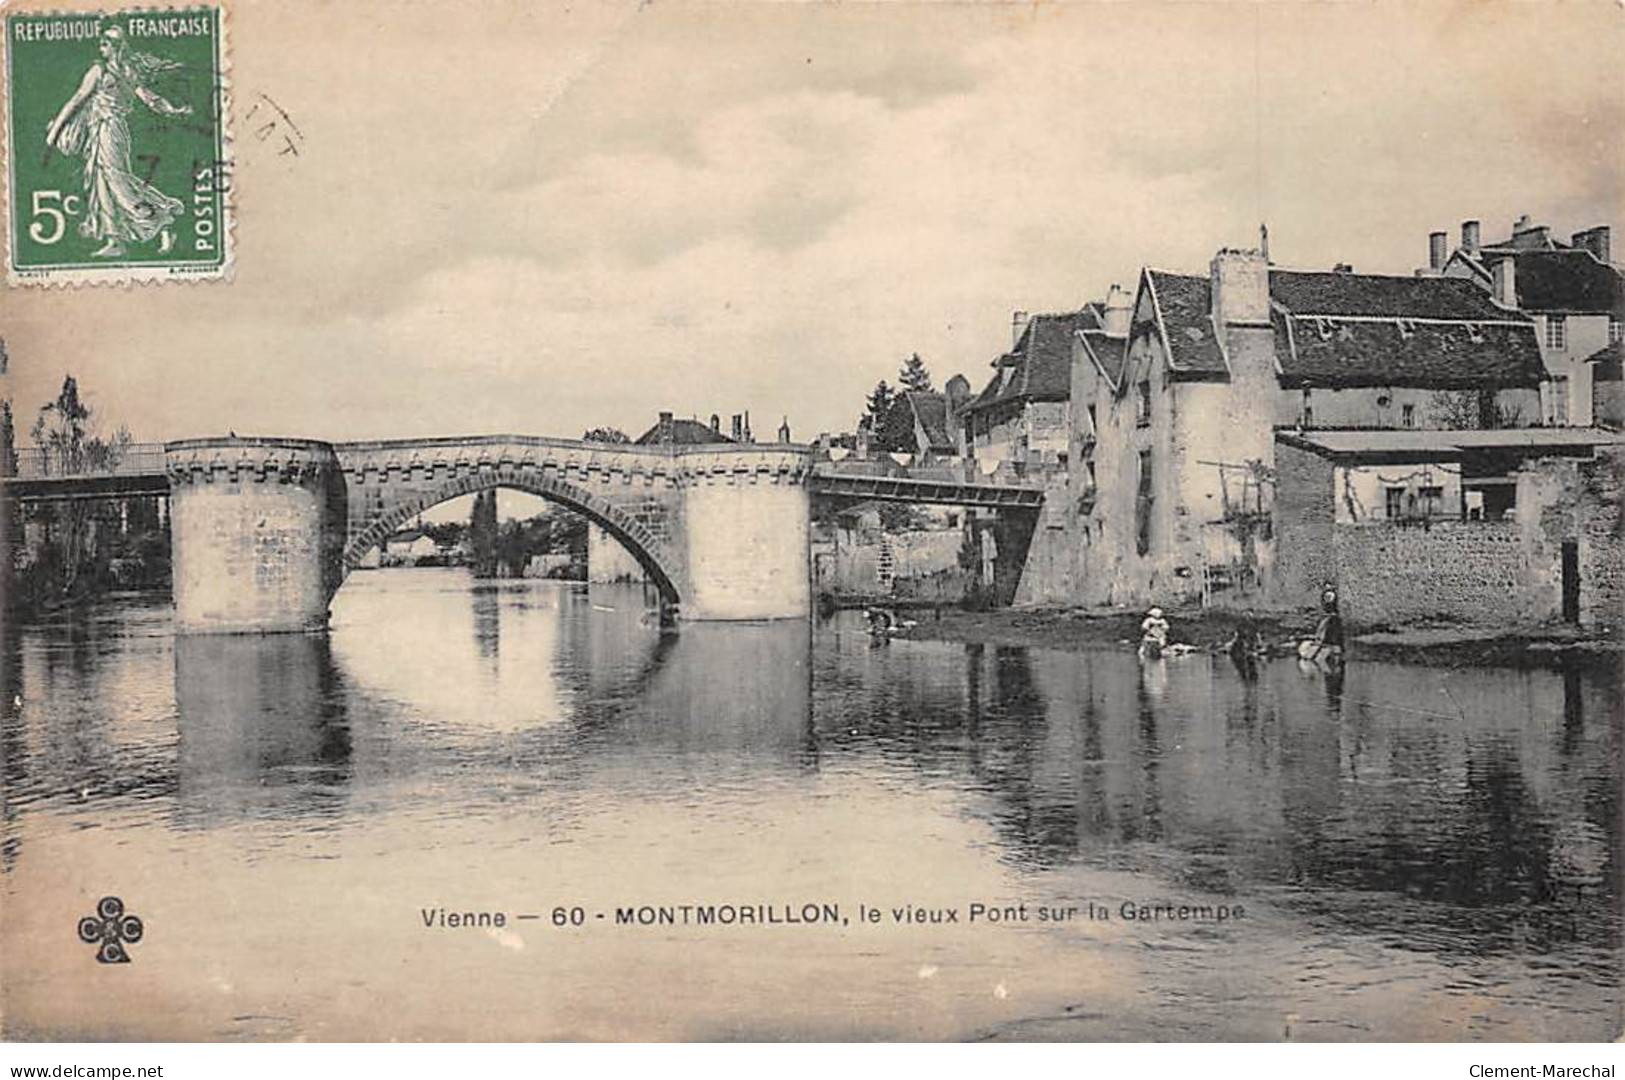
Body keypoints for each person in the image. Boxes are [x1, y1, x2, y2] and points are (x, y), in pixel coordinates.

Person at [45, 26, 192, 258]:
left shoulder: (112, 71)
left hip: (111, 129)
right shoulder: (111, 70)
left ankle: (160, 218)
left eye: (106, 44)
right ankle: (115, 239)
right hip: (100, 129)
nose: (101, 47)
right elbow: (78, 100)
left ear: (116, 47)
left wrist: (54, 132)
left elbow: (146, 98)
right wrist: (56, 129)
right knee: (102, 181)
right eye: (101, 43)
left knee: (116, 179)